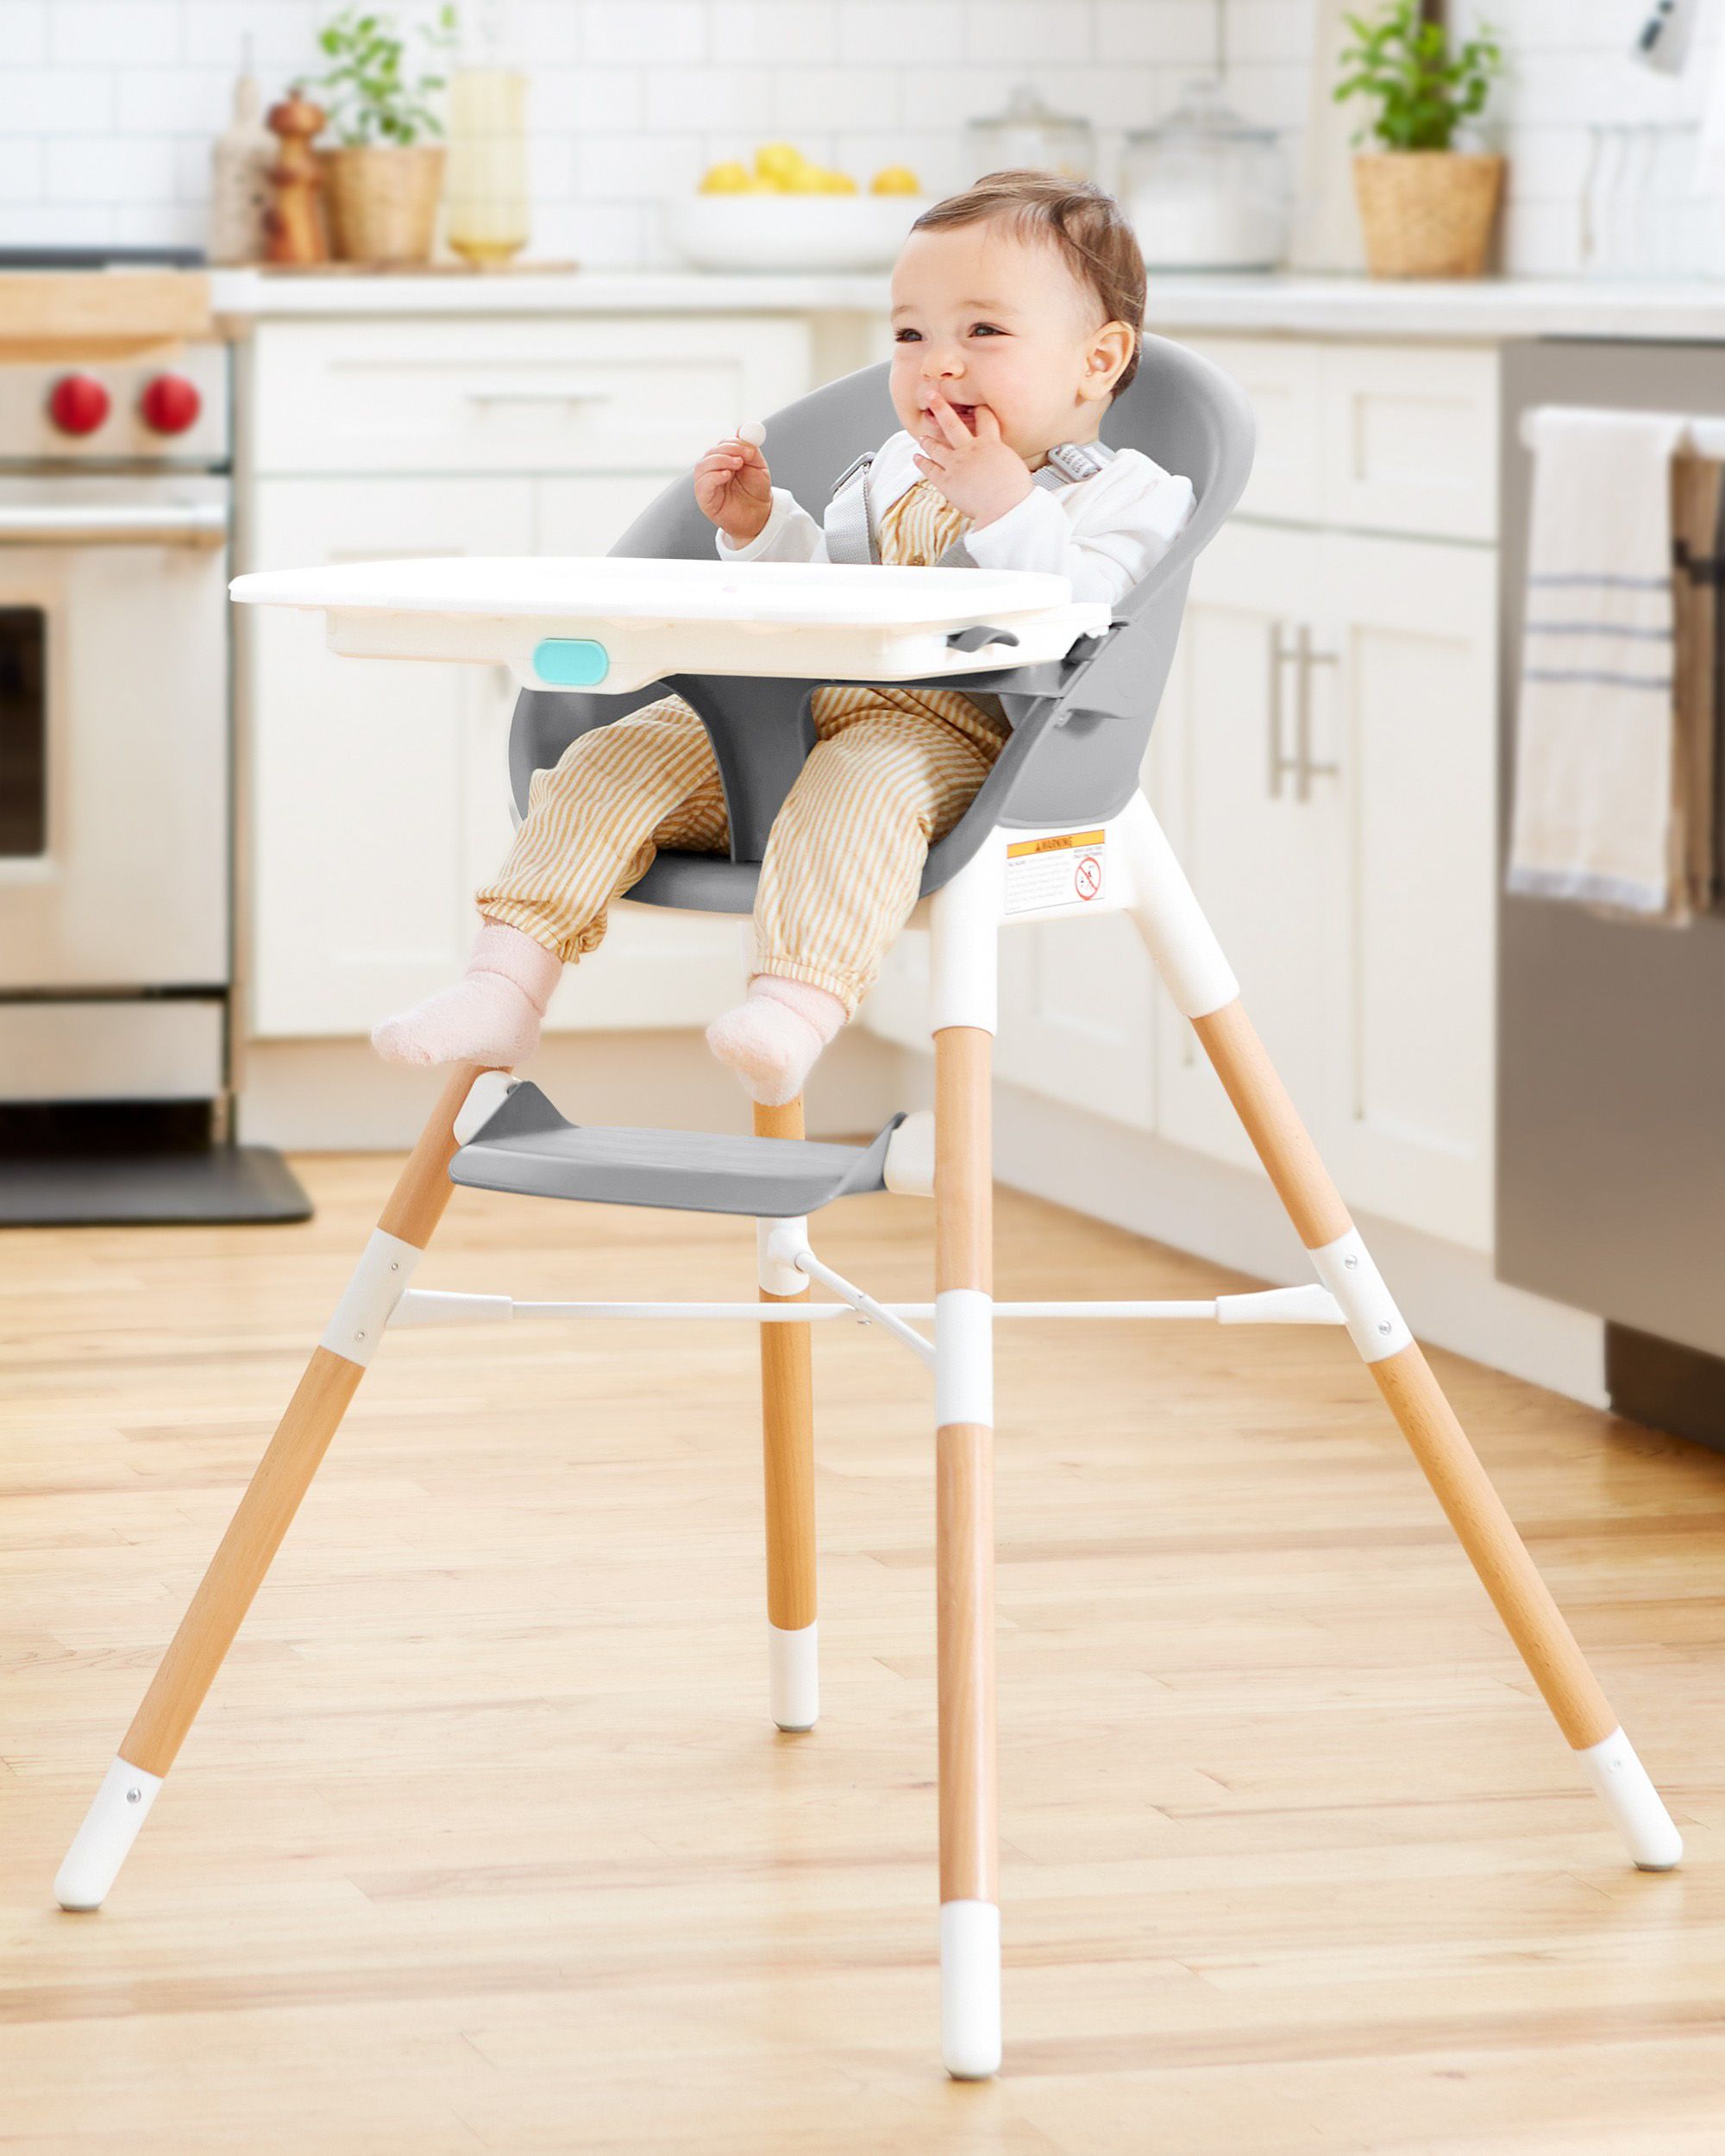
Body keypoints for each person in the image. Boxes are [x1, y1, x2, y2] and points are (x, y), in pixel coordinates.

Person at [373, 170, 1196, 1104]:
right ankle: (504, 984)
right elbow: (825, 595)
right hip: (801, 711)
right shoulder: (894, 469)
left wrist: (1005, 505)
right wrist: (760, 529)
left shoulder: (1127, 494)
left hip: (971, 743)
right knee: (612, 756)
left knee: (860, 784)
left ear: (1098, 359)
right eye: (910, 335)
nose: (938, 364)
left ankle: (794, 1006)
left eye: (982, 331)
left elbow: (1089, 619)